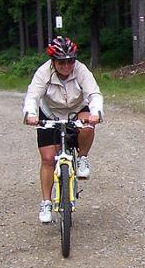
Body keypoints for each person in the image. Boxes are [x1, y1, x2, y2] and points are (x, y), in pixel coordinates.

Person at [23, 36, 104, 224]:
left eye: (70, 61)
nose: (67, 66)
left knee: (88, 126)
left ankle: (82, 158)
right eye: (61, 62)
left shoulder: (81, 70)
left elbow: (94, 94)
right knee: (48, 159)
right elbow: (33, 96)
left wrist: (96, 113)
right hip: (50, 114)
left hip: (76, 111)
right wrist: (30, 114)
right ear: (53, 61)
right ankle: (46, 203)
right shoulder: (43, 72)